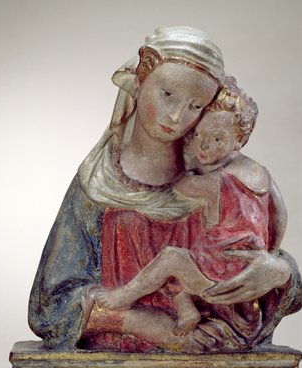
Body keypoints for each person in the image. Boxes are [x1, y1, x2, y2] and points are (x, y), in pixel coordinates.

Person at [28, 27, 302, 352]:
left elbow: (261, 258)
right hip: (114, 367)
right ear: (141, 78)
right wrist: (137, 322)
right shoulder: (98, 185)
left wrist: (281, 271)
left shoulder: (222, 177)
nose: (176, 116)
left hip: (212, 358)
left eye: (195, 106)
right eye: (168, 94)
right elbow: (49, 307)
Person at [89, 78, 288, 338]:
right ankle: (186, 310)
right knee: (182, 267)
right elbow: (280, 214)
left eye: (217, 138)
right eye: (196, 135)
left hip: (223, 274)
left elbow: (181, 185)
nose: (203, 146)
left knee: (172, 259)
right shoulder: (260, 173)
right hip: (244, 263)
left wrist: (280, 269)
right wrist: (270, 252)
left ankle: (124, 296)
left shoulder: (215, 182)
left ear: (239, 140)